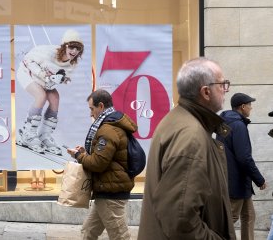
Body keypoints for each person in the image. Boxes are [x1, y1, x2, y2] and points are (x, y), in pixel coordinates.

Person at [138, 58, 236, 239]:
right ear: (206, 92)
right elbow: (180, 221)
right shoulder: (191, 136)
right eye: (222, 84)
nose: (226, 90)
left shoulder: (181, 121)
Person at [16, 29, 84, 189]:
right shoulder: (48, 52)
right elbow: (27, 61)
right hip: (27, 73)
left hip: (46, 81)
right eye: (71, 47)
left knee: (55, 98)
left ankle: (44, 134)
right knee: (41, 96)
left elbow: (66, 78)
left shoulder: (73, 63)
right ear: (65, 46)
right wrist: (43, 75)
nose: (73, 51)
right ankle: (28, 134)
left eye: (77, 48)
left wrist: (61, 79)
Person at [67, 89, 136, 240]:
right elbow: (106, 157)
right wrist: (86, 153)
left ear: (101, 106)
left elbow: (98, 163)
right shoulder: (110, 125)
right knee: (88, 232)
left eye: (92, 109)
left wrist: (79, 156)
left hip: (111, 192)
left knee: (120, 236)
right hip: (106, 189)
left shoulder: (108, 129)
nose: (91, 113)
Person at [216, 93, 266, 240]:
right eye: (250, 105)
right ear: (243, 107)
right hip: (235, 182)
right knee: (230, 219)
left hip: (238, 182)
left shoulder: (226, 123)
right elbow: (244, 157)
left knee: (249, 216)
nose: (251, 107)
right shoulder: (238, 125)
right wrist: (259, 179)